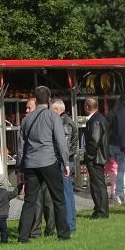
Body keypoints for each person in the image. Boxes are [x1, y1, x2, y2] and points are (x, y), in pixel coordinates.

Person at [17, 86, 71, 242]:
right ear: (49, 99)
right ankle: (63, 234)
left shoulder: (26, 119)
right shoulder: (53, 116)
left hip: (31, 164)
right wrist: (66, 162)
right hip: (48, 161)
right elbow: (60, 141)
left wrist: (20, 168)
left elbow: (21, 146)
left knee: (29, 201)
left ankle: (23, 236)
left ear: (35, 99)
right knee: (58, 199)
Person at [51, 98, 78, 232]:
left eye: (51, 110)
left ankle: (69, 224)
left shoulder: (65, 123)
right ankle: (68, 223)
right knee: (67, 192)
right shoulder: (65, 121)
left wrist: (60, 159)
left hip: (64, 162)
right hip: (65, 161)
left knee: (66, 193)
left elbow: (64, 146)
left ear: (57, 110)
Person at [83, 98, 110, 218]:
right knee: (98, 184)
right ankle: (100, 209)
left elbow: (94, 140)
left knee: (98, 185)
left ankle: (101, 211)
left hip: (96, 158)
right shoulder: (99, 118)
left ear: (87, 107)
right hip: (99, 156)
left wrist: (89, 155)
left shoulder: (95, 120)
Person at [106, 95, 125, 205]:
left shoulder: (111, 114)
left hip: (111, 145)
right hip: (119, 145)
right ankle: (118, 194)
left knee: (114, 169)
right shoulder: (122, 115)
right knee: (121, 170)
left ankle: (118, 193)